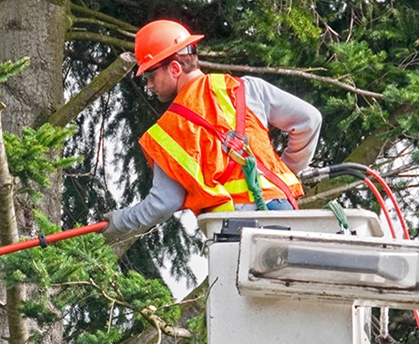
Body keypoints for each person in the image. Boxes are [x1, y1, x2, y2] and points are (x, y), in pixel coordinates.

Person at [102, 19, 322, 237]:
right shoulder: (245, 88)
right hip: (284, 210)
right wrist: (288, 169)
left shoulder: (172, 129)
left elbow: (163, 202)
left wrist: (120, 221)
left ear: (175, 68)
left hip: (239, 228)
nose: (149, 85)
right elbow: (309, 120)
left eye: (151, 75)